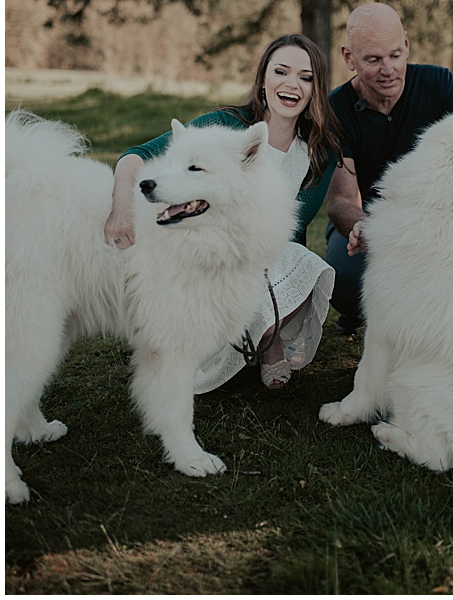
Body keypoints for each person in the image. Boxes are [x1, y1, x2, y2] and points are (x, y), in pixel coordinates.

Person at [104, 33, 344, 391]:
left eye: (305, 77)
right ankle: (216, 343)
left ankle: (267, 339)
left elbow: (291, 230)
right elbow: (136, 155)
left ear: (315, 89)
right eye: (281, 72)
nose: (291, 84)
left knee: (305, 263)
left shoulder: (318, 152)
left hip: (262, 257)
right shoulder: (227, 126)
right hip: (206, 257)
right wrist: (121, 210)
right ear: (263, 79)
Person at [324, 2, 453, 333]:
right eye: (373, 60)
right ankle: (365, 313)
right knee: (344, 280)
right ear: (349, 57)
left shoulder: (439, 84)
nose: (388, 69)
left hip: (435, 216)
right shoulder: (335, 109)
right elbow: (340, 201)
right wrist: (374, 231)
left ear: (406, 45)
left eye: (395, 55)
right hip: (370, 221)